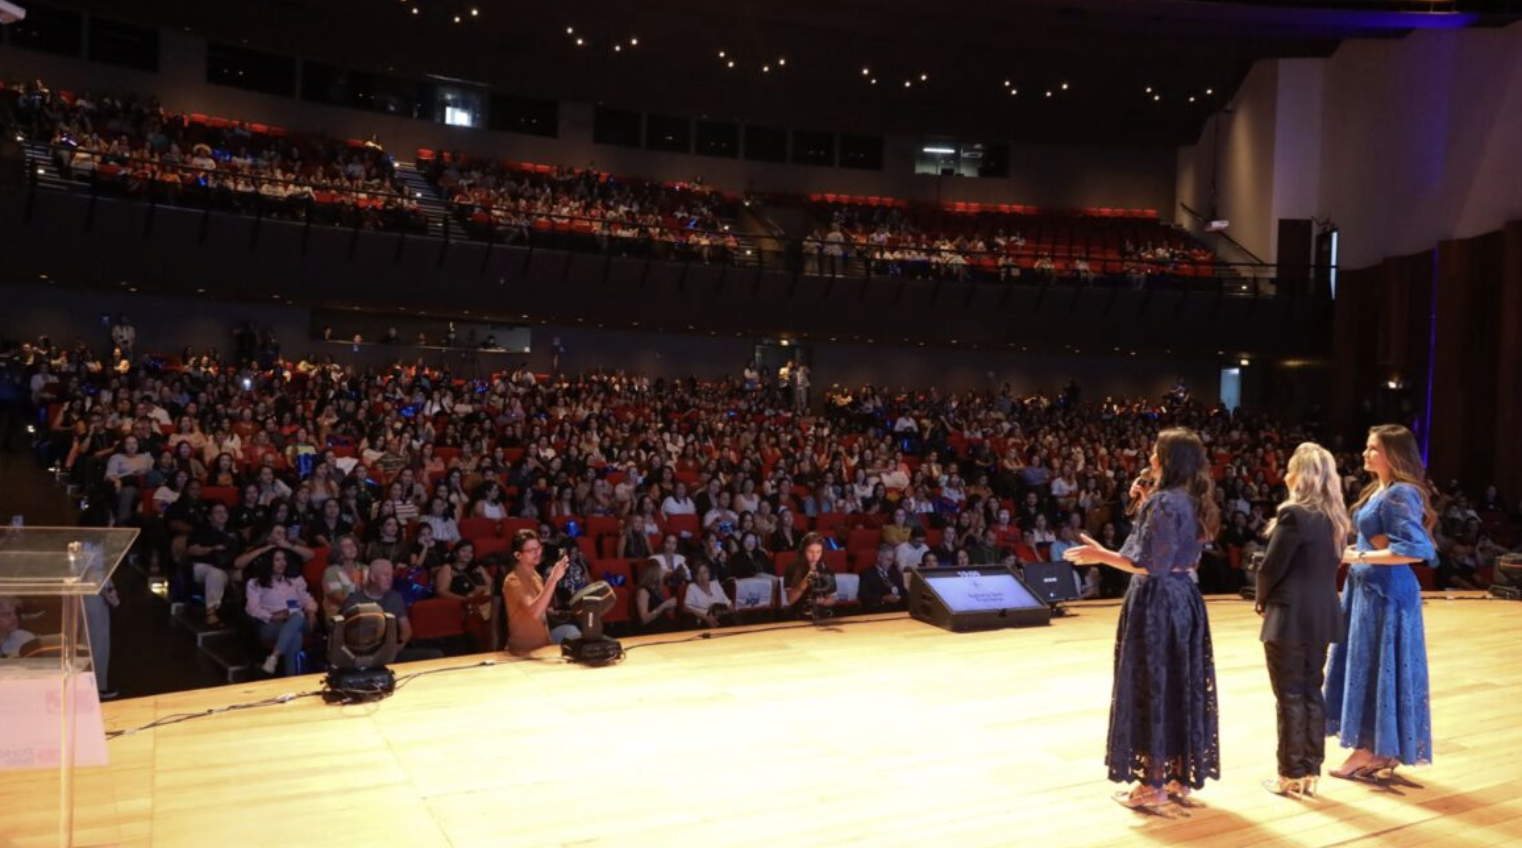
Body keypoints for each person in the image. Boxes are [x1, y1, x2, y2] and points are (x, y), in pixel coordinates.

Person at [1064, 428, 1221, 812]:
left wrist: (1099, 556)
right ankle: (1175, 777)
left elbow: (1147, 564)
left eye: (1155, 452)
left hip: (1156, 604)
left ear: (1167, 459)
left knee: (1151, 686)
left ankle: (1152, 785)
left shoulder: (1164, 503)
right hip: (1184, 598)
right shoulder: (1192, 500)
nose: (1149, 457)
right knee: (1177, 685)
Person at [1324, 425, 1438, 782]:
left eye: (1372, 448)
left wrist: (1359, 558)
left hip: (1386, 593)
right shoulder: (1381, 490)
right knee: (1367, 664)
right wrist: (1356, 554)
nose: (1365, 453)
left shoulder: (1400, 492)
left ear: (1392, 454)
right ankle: (1377, 748)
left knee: (1376, 665)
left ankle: (1368, 750)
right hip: (1368, 589)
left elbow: (1417, 551)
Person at [1255, 443, 1350, 799]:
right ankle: (1310, 770)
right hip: (1323, 613)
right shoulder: (1335, 518)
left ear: (1302, 475)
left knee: (1290, 695)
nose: (1285, 475)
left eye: (1291, 468)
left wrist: (1261, 598)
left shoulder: (1294, 514)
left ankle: (1290, 774)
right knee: (1311, 690)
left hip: (1290, 615)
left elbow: (1270, 569)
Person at [343, 559, 443, 663]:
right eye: (385, 575)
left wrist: (399, 645)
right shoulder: (354, 601)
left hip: (393, 652)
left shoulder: (395, 597)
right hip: (364, 656)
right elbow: (347, 637)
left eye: (391, 575)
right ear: (372, 577)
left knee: (436, 655)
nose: (389, 579)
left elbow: (406, 630)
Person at [501, 529, 577, 655]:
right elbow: (534, 612)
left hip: (542, 644)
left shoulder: (536, 576)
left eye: (538, 548)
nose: (537, 553)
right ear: (517, 555)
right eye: (531, 550)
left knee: (573, 633)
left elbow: (542, 615)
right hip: (523, 649)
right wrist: (553, 579)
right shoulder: (513, 580)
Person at [245, 549, 318, 676]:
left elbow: (307, 599)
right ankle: (292, 680)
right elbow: (252, 608)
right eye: (277, 560)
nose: (282, 563)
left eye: (284, 559)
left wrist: (311, 612)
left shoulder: (295, 581)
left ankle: (274, 656)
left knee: (298, 615)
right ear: (269, 562)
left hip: (298, 620)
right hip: (271, 624)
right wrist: (273, 616)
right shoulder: (255, 583)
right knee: (296, 635)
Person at [784, 532, 838, 619]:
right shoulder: (792, 569)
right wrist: (806, 580)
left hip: (822, 616)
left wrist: (822, 601)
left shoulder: (827, 570)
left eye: (818, 552)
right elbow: (790, 600)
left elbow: (832, 599)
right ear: (803, 551)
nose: (814, 557)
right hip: (798, 617)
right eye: (810, 552)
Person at [858, 543, 906, 612]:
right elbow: (864, 595)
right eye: (888, 559)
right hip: (878, 610)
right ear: (879, 558)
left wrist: (900, 597)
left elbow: (903, 591)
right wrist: (883, 598)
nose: (891, 563)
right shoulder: (867, 574)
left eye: (892, 560)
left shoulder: (895, 573)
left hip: (897, 609)